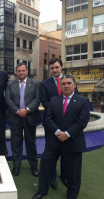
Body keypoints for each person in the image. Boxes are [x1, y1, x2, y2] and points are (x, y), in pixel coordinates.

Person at [33, 74, 90, 199]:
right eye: (63, 84)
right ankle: (42, 190)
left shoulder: (83, 101)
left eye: (69, 83)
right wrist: (58, 132)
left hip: (73, 141)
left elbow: (82, 121)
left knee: (73, 171)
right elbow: (48, 119)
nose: (66, 86)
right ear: (60, 86)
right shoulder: (54, 100)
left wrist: (68, 134)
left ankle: (72, 196)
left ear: (74, 85)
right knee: (46, 165)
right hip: (54, 141)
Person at [40, 58, 77, 189]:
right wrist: (57, 110)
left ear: (61, 67)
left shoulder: (70, 81)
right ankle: (52, 177)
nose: (54, 70)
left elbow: (75, 100)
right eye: (52, 68)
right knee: (51, 153)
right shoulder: (44, 84)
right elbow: (44, 102)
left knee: (67, 152)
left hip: (68, 125)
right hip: (51, 124)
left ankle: (65, 176)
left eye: (56, 67)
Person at [5, 63, 41, 176]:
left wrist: (27, 110)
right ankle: (16, 166)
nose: (21, 72)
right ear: (16, 72)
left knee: (31, 143)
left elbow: (37, 99)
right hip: (15, 118)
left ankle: (34, 167)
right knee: (16, 144)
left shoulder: (35, 83)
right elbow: (8, 99)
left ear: (27, 71)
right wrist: (17, 111)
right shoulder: (10, 84)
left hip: (30, 117)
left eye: (23, 70)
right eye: (19, 71)